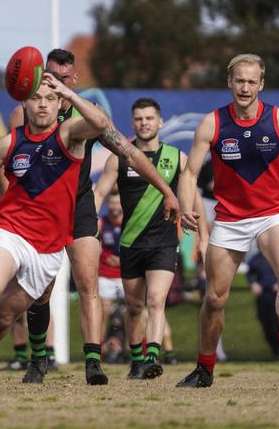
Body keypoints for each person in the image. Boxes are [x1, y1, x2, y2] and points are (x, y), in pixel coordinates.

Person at [5, 49, 180, 385]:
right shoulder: (25, 112)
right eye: (49, 75)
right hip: (40, 211)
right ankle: (38, 359)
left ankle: (92, 362)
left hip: (79, 207)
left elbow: (130, 152)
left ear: (74, 81)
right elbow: (8, 165)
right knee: (41, 290)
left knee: (89, 284)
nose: (54, 83)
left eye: (62, 78)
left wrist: (166, 190)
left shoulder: (88, 117)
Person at [0, 71, 109, 392]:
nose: (43, 105)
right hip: (12, 232)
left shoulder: (70, 135)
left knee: (1, 319)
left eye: (50, 99)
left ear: (59, 103)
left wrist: (69, 93)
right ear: (25, 102)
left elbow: (101, 124)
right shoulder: (10, 142)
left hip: (49, 248)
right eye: (36, 98)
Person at [176, 53, 279, 388]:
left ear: (261, 84)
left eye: (251, 81)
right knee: (215, 299)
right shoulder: (212, 123)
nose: (245, 87)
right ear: (230, 82)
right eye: (239, 80)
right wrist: (185, 204)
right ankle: (204, 368)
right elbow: (189, 172)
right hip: (229, 220)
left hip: (272, 213)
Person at [94, 97, 207, 380]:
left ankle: (152, 358)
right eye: (139, 119)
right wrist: (85, 226)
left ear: (160, 122)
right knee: (134, 307)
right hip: (131, 243)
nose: (144, 123)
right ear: (133, 123)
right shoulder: (119, 157)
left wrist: (203, 238)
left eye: (149, 118)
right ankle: (136, 360)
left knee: (156, 301)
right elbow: (98, 193)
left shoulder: (176, 158)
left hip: (164, 243)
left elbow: (197, 202)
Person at [96, 193, 125, 360]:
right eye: (112, 202)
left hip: (126, 275)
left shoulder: (130, 221)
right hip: (105, 275)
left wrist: (125, 261)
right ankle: (97, 351)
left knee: (136, 311)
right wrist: (105, 257)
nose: (114, 206)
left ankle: (137, 353)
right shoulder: (101, 223)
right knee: (102, 311)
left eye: (117, 202)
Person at [246, 251, 279, 358]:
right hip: (262, 296)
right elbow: (250, 274)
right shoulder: (255, 259)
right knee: (266, 325)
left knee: (278, 325)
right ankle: (277, 352)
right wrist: (253, 283)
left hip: (277, 296)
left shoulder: (278, 256)